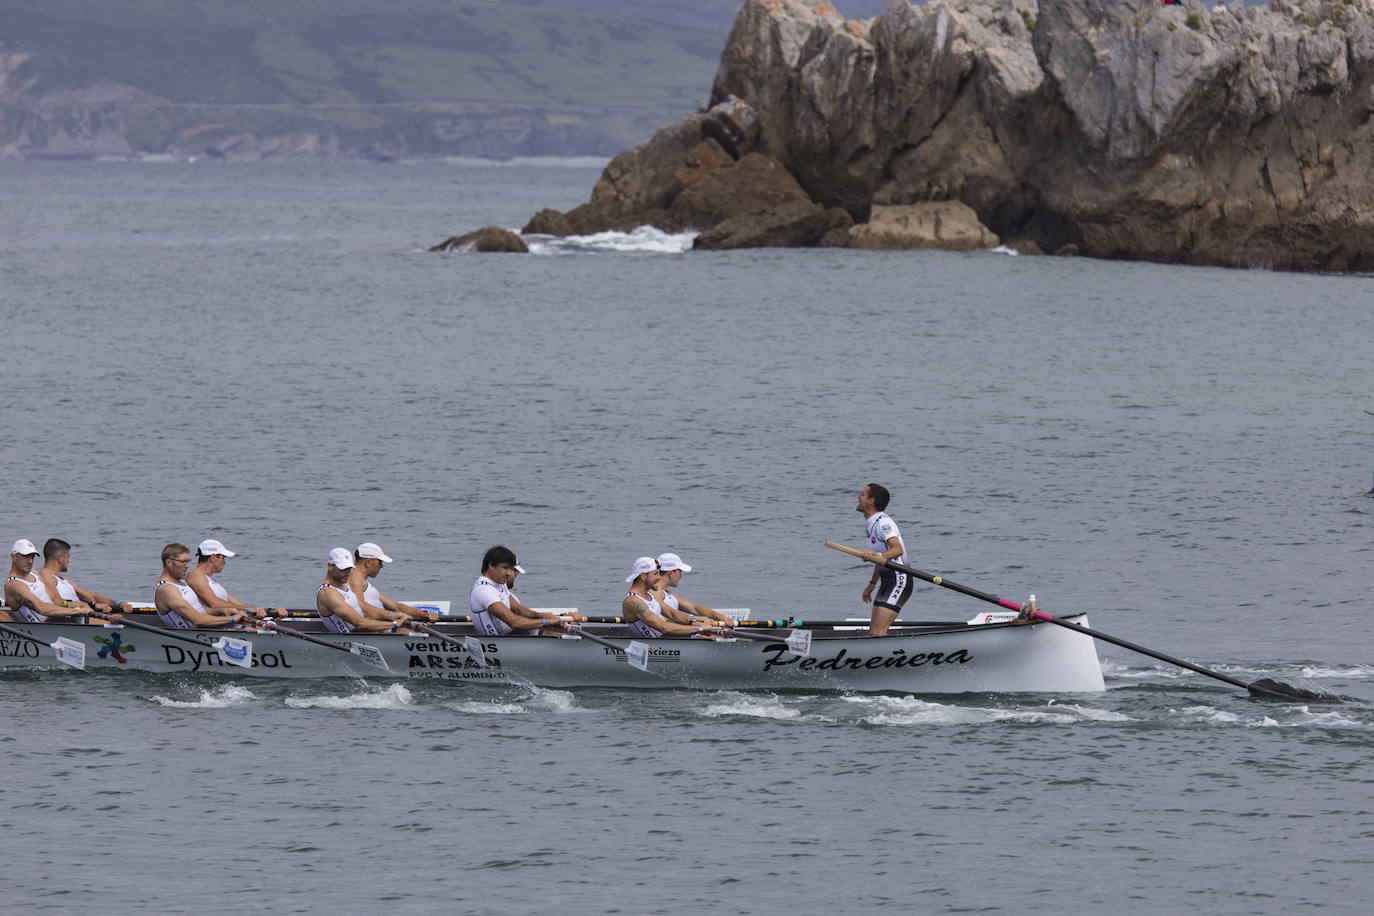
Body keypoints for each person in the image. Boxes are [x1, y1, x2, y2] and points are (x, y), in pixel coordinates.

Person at [469, 545, 581, 636]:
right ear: (491, 565)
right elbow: (514, 622)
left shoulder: (499, 583)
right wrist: (546, 622)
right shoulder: (483, 590)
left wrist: (542, 616)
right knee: (552, 628)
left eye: (511, 569)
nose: (509, 573)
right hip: (501, 642)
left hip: (515, 634)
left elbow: (518, 609)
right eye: (505, 568)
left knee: (560, 624)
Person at [856, 483, 912, 636]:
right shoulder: (871, 524)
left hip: (899, 580)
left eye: (862, 494)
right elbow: (881, 557)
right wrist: (872, 583)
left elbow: (897, 549)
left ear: (871, 501)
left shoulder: (883, 523)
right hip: (886, 581)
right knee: (872, 633)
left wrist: (876, 556)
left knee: (878, 632)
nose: (858, 497)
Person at [153, 542, 250, 629]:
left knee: (251, 626)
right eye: (183, 562)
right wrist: (232, 618)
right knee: (248, 629)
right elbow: (197, 619)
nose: (187, 566)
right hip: (193, 637)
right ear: (169, 563)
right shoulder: (166, 589)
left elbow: (199, 609)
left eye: (188, 561)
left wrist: (222, 611)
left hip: (207, 629)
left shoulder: (181, 583)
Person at [622, 556, 723, 638]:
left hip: (666, 641)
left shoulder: (648, 595)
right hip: (658, 648)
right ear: (643, 576)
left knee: (718, 636)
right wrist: (700, 628)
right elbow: (664, 627)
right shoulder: (633, 602)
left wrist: (697, 620)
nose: (659, 577)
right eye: (656, 573)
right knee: (714, 637)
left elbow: (672, 614)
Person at [316, 547, 410, 634]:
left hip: (364, 632)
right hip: (353, 638)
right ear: (330, 566)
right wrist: (395, 624)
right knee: (406, 632)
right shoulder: (327, 593)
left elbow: (364, 610)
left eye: (349, 569)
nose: (347, 573)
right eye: (343, 569)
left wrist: (392, 616)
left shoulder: (345, 585)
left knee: (411, 629)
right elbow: (359, 623)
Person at [4, 538, 99, 623]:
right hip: (43, 628)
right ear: (13, 557)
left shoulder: (34, 573)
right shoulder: (14, 585)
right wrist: (77, 611)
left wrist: (84, 605)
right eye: (26, 556)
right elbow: (42, 609)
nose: (30, 561)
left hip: (57, 619)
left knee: (94, 613)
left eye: (32, 557)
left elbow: (56, 601)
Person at [186, 538, 284, 618]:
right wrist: (249, 610)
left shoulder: (215, 584)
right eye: (223, 557)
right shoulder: (195, 575)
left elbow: (240, 606)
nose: (224, 562)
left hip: (234, 625)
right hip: (220, 628)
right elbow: (215, 603)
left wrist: (269, 611)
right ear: (213, 557)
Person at [348, 542, 432, 627]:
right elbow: (360, 609)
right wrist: (391, 616)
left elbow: (396, 606)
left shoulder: (362, 581)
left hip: (382, 626)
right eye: (380, 562)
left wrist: (422, 614)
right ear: (368, 562)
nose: (381, 566)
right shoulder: (355, 576)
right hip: (375, 630)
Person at [36, 538, 120, 616]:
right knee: (119, 620)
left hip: (81, 616)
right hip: (70, 620)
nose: (69, 561)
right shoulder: (46, 575)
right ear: (60, 558)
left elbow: (92, 597)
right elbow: (57, 602)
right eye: (68, 556)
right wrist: (93, 606)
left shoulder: (64, 580)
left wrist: (117, 603)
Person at [653, 552, 734, 629]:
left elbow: (694, 608)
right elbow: (660, 618)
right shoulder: (656, 592)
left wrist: (720, 617)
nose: (681, 576)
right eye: (680, 572)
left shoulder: (669, 594)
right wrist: (695, 621)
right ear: (670, 573)